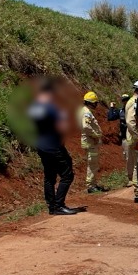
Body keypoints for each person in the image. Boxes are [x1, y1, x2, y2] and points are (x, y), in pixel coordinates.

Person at [28, 78, 77, 216]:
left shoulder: (34, 107)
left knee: (49, 177)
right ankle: (59, 205)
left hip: (41, 145)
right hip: (54, 146)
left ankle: (51, 206)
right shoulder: (51, 107)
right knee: (67, 175)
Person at [78, 91, 106, 193]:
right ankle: (90, 185)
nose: (96, 105)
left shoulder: (85, 111)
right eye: (95, 103)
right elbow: (86, 127)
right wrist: (95, 134)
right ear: (91, 103)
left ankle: (93, 183)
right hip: (90, 141)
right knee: (92, 163)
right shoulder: (86, 112)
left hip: (89, 141)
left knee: (93, 163)